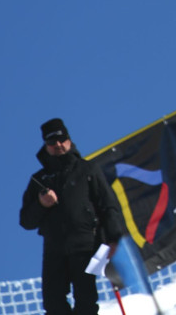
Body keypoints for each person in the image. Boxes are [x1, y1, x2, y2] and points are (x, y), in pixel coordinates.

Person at [20, 118, 124, 315]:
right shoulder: (38, 180)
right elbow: (26, 221)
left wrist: (114, 238)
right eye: (52, 142)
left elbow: (108, 205)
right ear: (45, 145)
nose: (58, 145)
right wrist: (41, 204)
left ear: (69, 139)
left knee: (86, 301)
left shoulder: (87, 169)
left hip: (85, 245)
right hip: (54, 249)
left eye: (61, 139)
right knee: (53, 304)